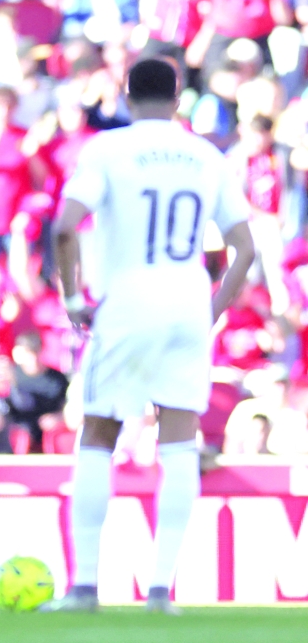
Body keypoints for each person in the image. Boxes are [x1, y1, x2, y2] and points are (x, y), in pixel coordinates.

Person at [42, 59, 256, 614]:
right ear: (179, 97)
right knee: (180, 442)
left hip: (129, 303)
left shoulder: (108, 150)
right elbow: (245, 249)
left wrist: (71, 298)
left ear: (126, 97)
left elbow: (65, 225)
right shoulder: (206, 155)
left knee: (99, 434)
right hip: (187, 304)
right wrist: (208, 312)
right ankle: (162, 591)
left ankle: (85, 587)